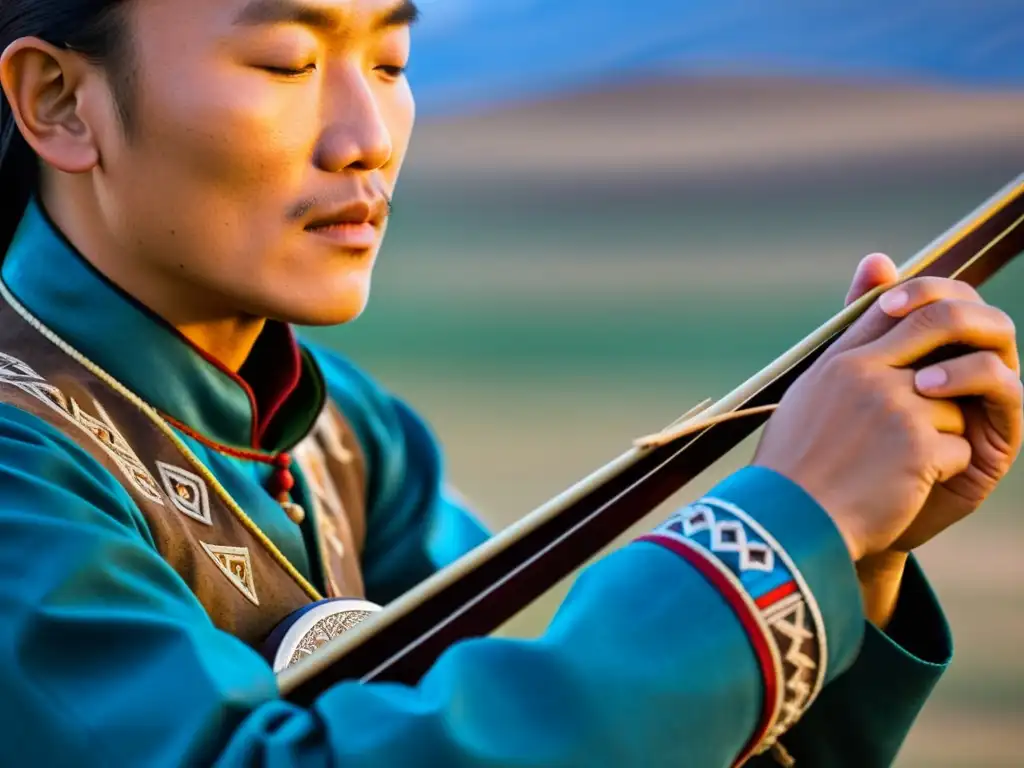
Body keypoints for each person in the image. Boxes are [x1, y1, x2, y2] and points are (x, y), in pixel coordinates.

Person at [0, 0, 1019, 765]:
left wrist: (856, 553)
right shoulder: (19, 468)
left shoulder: (350, 434)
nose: (366, 138)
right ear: (59, 102)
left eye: (391, 60)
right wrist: (785, 530)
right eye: (288, 61)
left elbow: (567, 716)